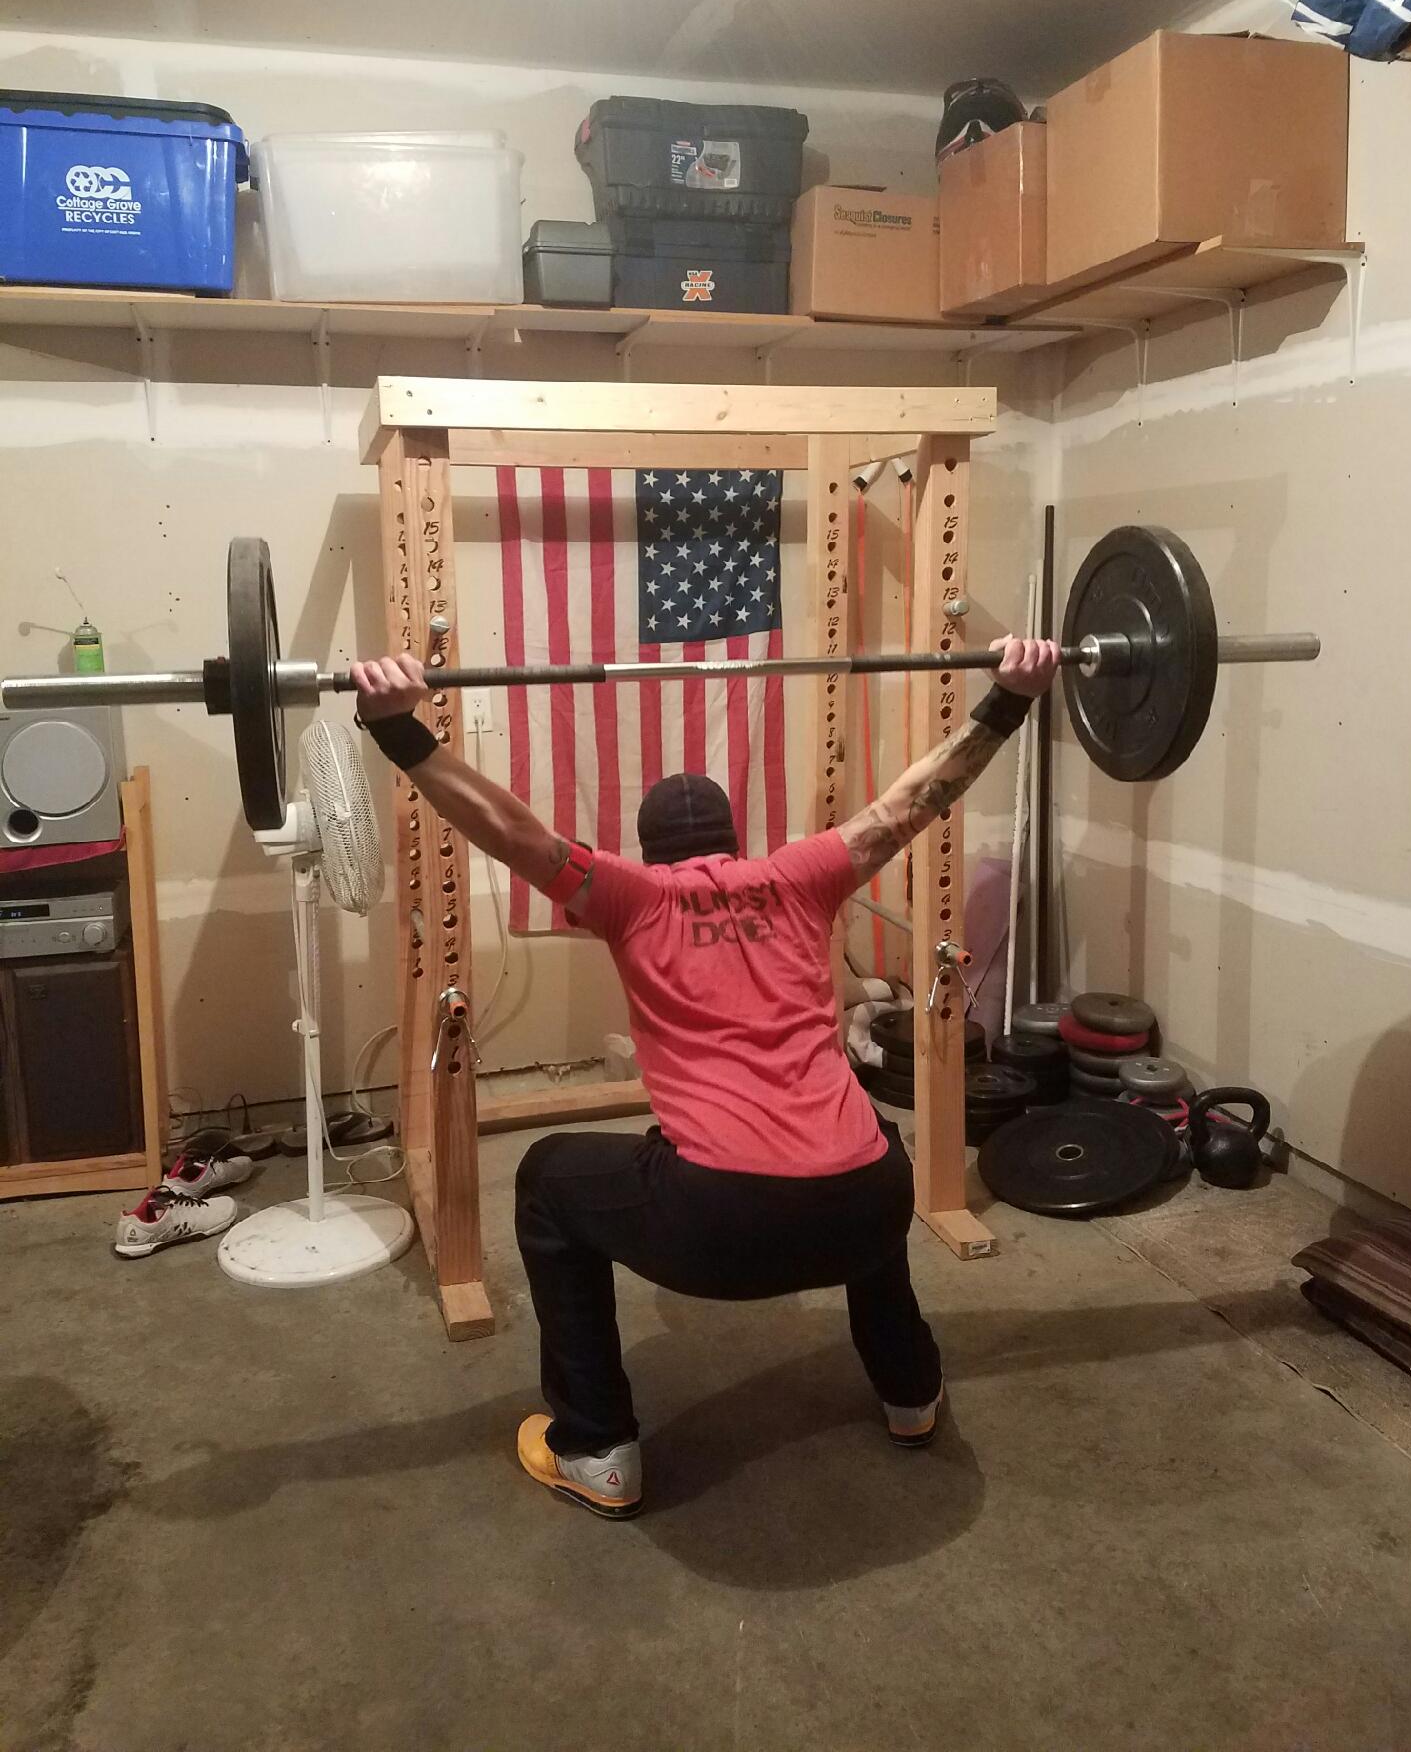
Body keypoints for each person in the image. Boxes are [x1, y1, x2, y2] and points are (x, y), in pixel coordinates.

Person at [352, 635, 1060, 1519]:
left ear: (653, 852)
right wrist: (1009, 699)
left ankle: (596, 1449)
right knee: (864, 1143)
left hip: (720, 1227)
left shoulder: (628, 894)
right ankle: (911, 1392)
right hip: (872, 1208)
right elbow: (912, 803)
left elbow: (511, 831)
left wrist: (398, 732)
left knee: (546, 1177)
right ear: (733, 842)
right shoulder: (801, 875)